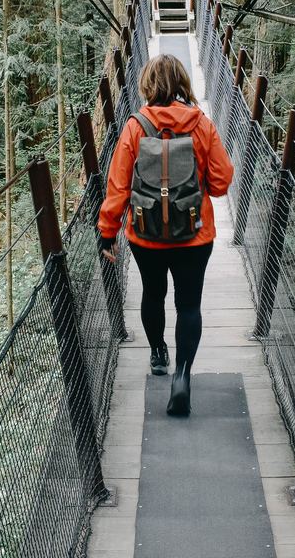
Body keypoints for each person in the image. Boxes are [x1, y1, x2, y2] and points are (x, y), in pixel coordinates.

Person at [98, 54, 234, 416]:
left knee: (153, 294)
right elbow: (221, 183)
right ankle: (183, 376)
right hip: (194, 236)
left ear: (147, 85)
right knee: (188, 305)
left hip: (146, 236)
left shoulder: (134, 127)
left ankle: (158, 352)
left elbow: (118, 185)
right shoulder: (201, 125)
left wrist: (107, 231)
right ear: (183, 84)